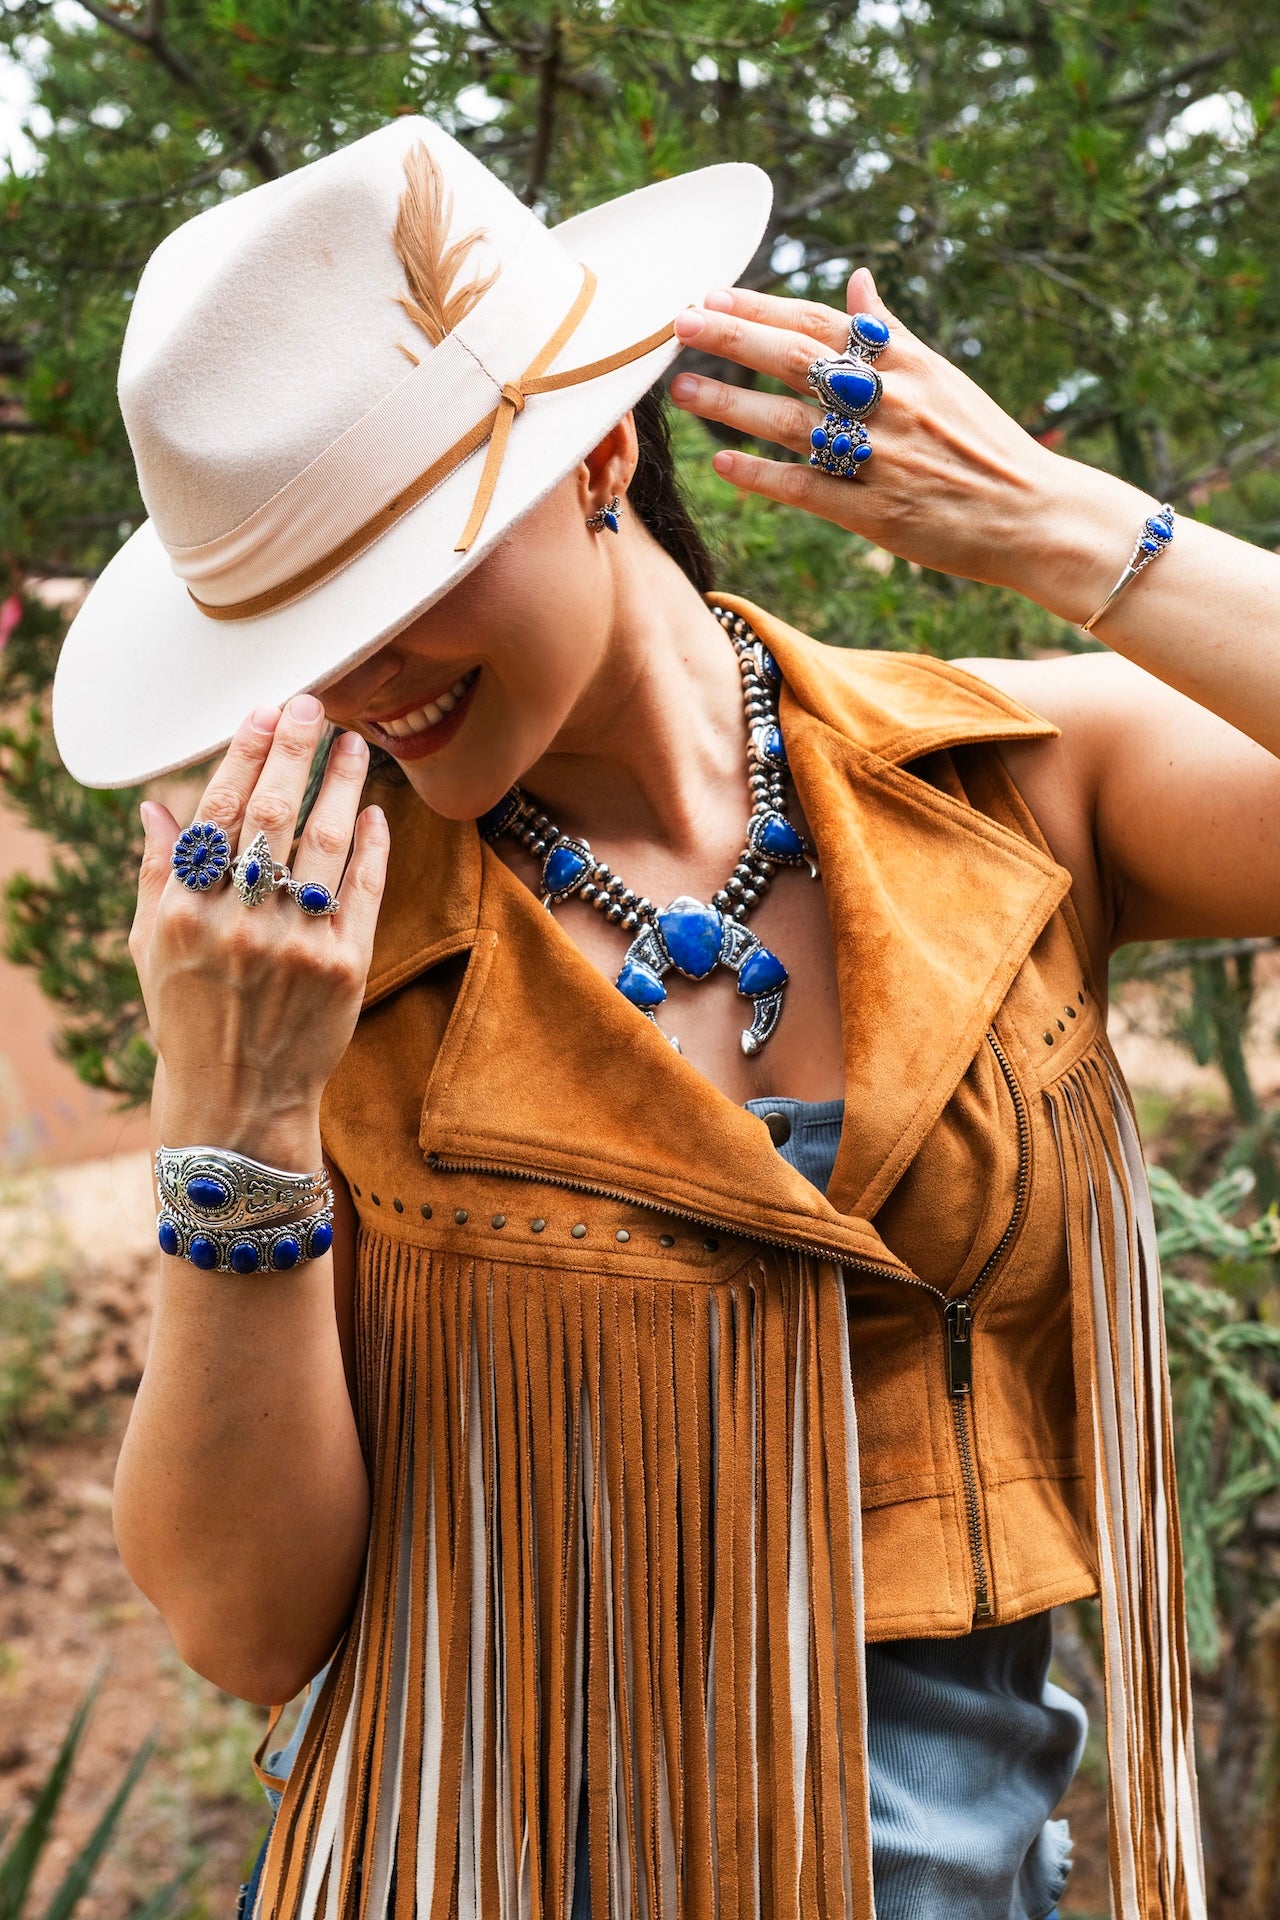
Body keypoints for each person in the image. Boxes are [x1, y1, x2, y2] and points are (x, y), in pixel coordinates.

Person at [51, 110, 1280, 1920]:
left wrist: (1056, 522)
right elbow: (246, 1624)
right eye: (289, 633)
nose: (352, 681)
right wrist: (237, 1120)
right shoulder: (316, 956)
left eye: (392, 586)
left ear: (598, 448)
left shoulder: (1013, 783)